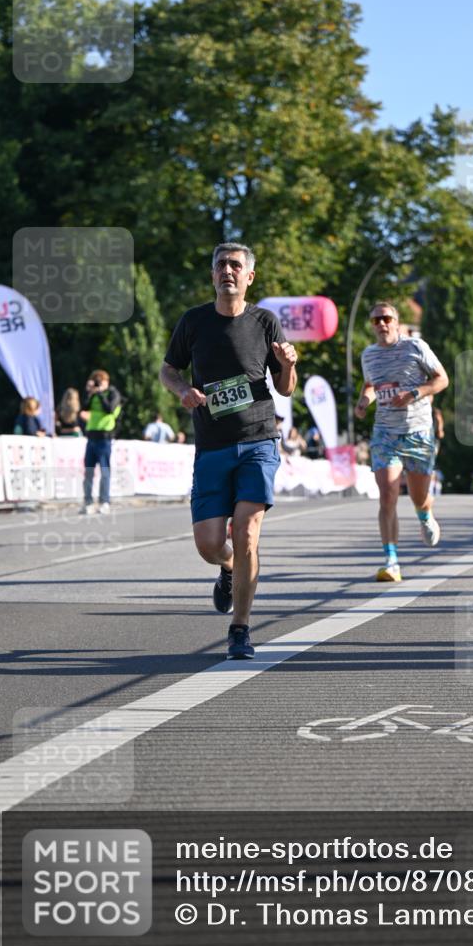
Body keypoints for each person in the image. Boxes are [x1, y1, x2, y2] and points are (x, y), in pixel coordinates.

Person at [159, 242, 297, 660]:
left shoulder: (265, 322)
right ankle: (226, 567)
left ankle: (240, 628)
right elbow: (168, 369)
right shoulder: (194, 322)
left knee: (247, 531)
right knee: (209, 544)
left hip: (258, 439)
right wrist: (183, 390)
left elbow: (286, 387)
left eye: (236, 265)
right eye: (220, 264)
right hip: (212, 445)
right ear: (213, 275)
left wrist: (290, 364)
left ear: (249, 277)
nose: (227, 271)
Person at [354, 301, 448, 583]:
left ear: (396, 322)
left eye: (385, 319)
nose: (381, 324)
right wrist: (363, 401)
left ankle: (424, 513)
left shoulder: (415, 347)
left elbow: (442, 379)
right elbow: (370, 384)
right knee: (388, 495)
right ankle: (391, 560)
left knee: (419, 496)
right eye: (375, 321)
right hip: (385, 433)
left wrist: (414, 393)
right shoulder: (368, 355)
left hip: (419, 431)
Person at [79, 369, 122, 515]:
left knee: (104, 471)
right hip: (91, 437)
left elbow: (109, 408)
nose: (98, 383)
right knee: (88, 471)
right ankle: (88, 502)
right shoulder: (94, 395)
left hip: (104, 438)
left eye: (100, 381)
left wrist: (100, 393)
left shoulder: (112, 393)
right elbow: (84, 408)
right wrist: (90, 392)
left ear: (106, 381)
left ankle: (104, 501)